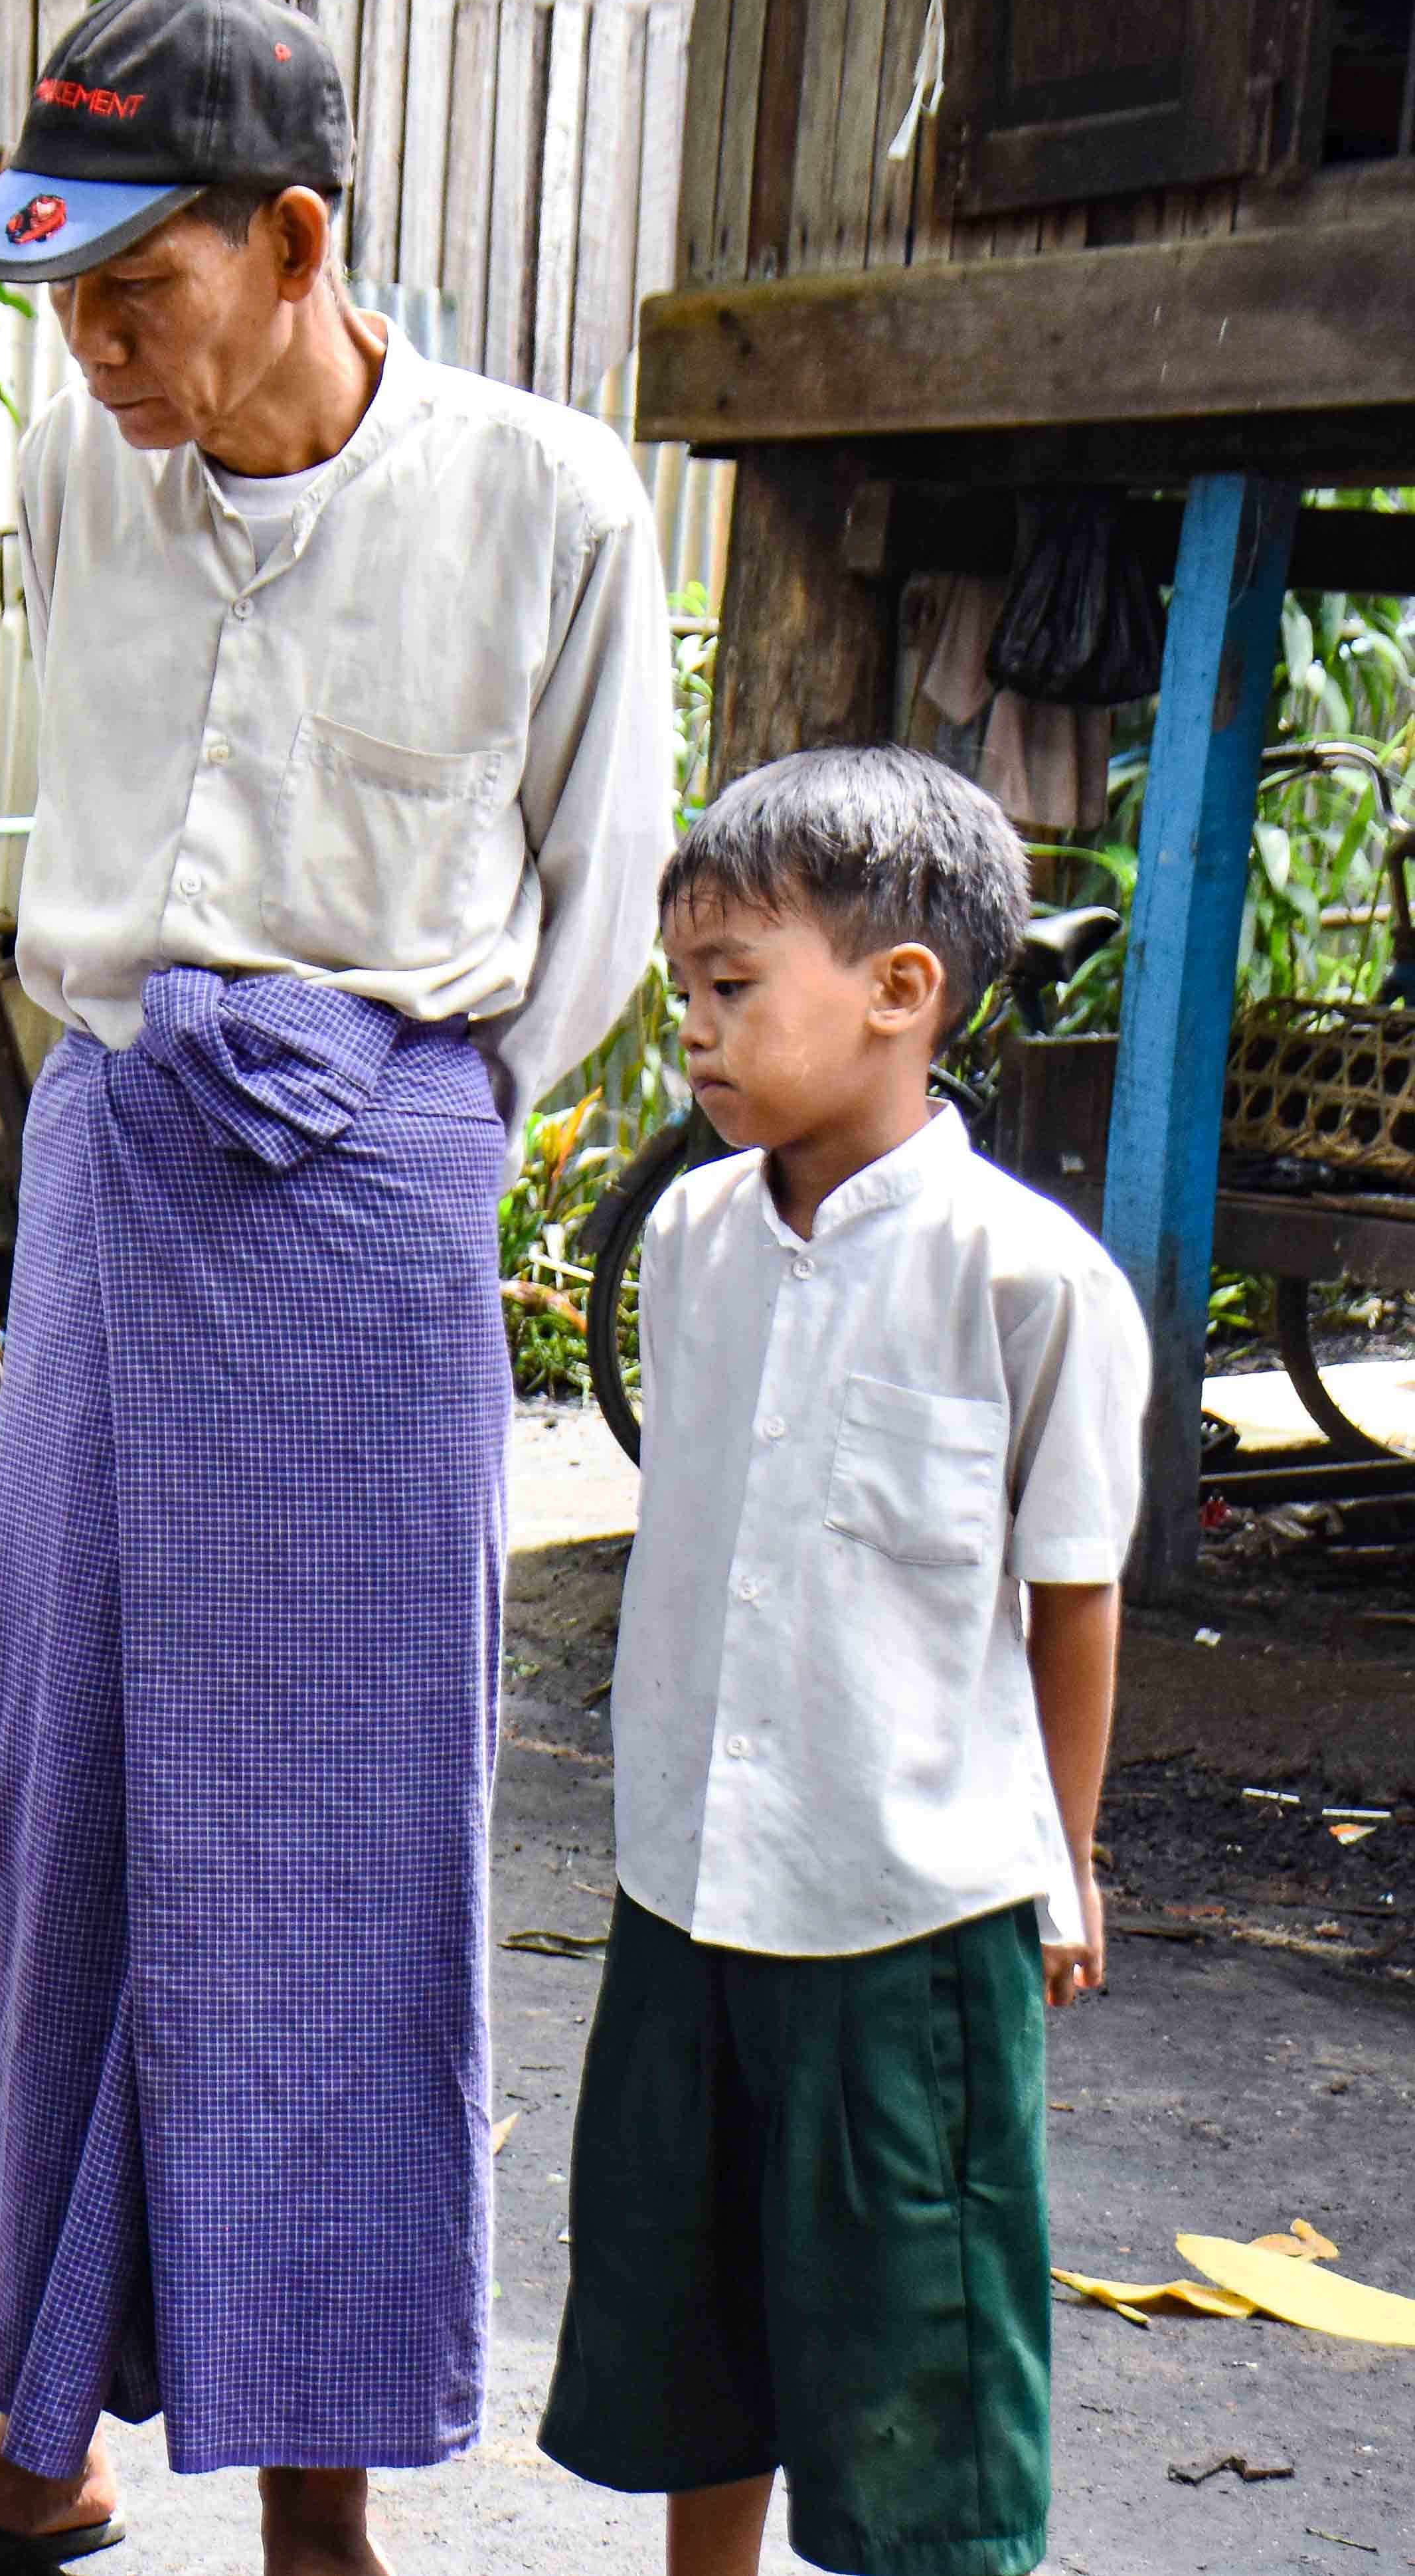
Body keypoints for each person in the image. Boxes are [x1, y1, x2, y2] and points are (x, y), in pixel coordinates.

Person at [0, 0, 679, 2575]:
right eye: (49, 286)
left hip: (376, 1175)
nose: (78, 345)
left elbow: (597, 917)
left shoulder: (550, 503)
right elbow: (83, 861)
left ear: (295, 240)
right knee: (61, 1797)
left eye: (131, 287)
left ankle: (321, 2495)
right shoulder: (99, 469)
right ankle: (51, 2425)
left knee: (329, 1841)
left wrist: (397, 1134)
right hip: (116, 1148)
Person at [538, 746, 1143, 2576]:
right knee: (689, 2310)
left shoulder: (1023, 1280)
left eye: (733, 990)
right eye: (683, 996)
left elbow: (1069, 1591)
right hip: (687, 1884)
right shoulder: (695, 1242)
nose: (696, 1039)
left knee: (918, 2348)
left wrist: (1064, 1847)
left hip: (908, 1911)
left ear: (901, 993)